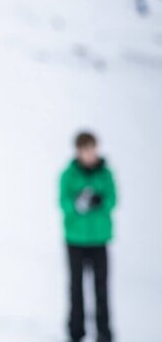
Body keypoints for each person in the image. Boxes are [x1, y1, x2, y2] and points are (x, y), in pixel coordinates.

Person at [60, 131, 117, 342]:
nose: (89, 154)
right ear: (78, 151)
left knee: (101, 287)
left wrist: (99, 201)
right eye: (85, 150)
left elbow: (113, 199)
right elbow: (63, 202)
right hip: (75, 239)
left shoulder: (105, 174)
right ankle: (76, 331)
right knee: (76, 286)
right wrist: (78, 205)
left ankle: (104, 332)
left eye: (92, 149)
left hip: (99, 239)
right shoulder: (69, 175)